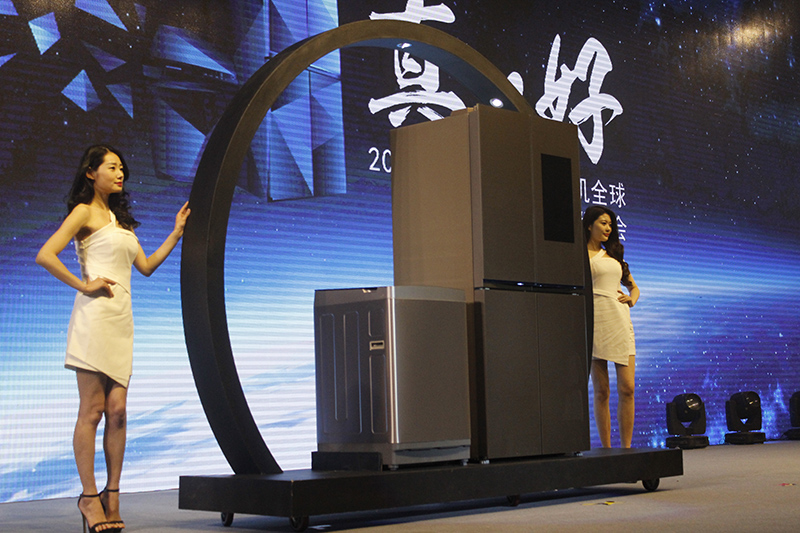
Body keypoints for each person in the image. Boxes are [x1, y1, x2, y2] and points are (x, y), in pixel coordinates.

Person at [36, 145, 190, 532]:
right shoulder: (83, 212)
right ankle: (89, 498)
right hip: (93, 320)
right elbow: (46, 254)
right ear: (91, 173)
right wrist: (84, 285)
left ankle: (113, 494)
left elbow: (146, 267)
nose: (119, 174)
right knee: (92, 410)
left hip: (121, 322)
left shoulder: (122, 222)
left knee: (118, 411)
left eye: (122, 168)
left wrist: (176, 233)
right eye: (111, 167)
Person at [583, 205, 639, 448]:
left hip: (619, 320)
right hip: (595, 320)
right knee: (602, 391)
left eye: (610, 225)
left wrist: (631, 299)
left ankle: (626, 448)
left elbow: (634, 287)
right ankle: (606, 449)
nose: (608, 228)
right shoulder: (579, 255)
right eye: (603, 223)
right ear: (589, 225)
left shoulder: (615, 255)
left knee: (628, 388)